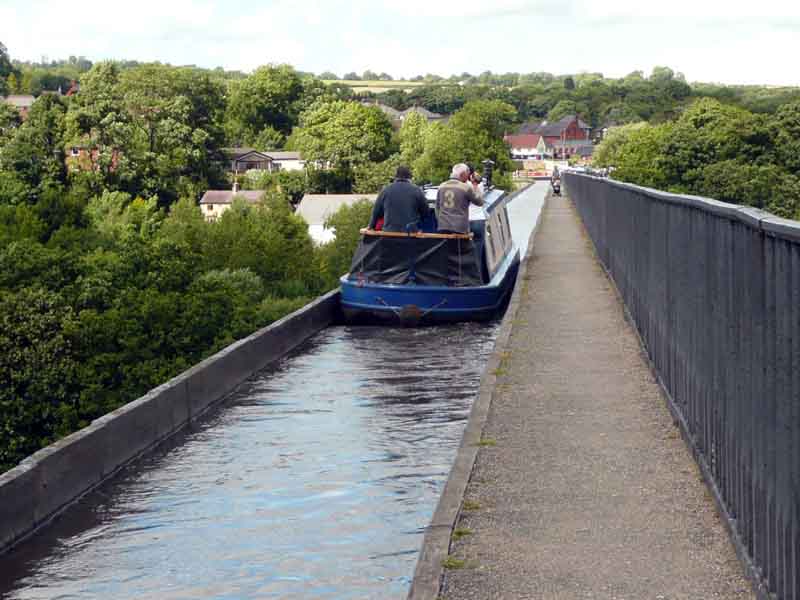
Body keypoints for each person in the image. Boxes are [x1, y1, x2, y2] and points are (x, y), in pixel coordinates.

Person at [368, 165, 430, 232]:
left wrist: (371, 227)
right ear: (410, 177)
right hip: (409, 233)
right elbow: (426, 213)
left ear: (395, 177)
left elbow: (376, 213)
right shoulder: (417, 190)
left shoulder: (385, 190)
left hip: (389, 233)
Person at [436, 163, 485, 234]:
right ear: (463, 174)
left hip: (443, 226)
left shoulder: (441, 186)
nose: (468, 176)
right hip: (460, 228)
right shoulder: (465, 188)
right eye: (467, 174)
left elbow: (437, 208)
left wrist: (441, 221)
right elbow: (480, 202)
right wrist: (475, 185)